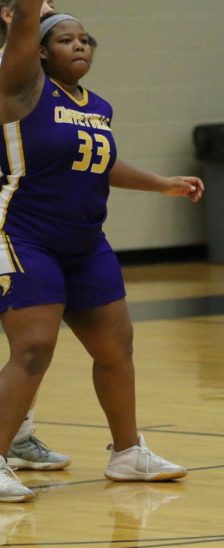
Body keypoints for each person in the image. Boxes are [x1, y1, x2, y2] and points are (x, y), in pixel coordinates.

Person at [0, 6, 201, 502]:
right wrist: (29, 11)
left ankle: (128, 453)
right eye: (66, 39)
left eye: (86, 39)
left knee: (116, 349)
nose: (80, 45)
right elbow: (25, 21)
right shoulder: (20, 90)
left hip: (85, 242)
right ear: (40, 51)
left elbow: (100, 163)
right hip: (24, 236)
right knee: (34, 349)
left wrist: (161, 184)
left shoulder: (99, 106)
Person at [0, 0, 71, 473]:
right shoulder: (14, 64)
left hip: (33, 223)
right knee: (30, 341)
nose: (51, 7)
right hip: (11, 222)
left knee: (32, 339)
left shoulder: (50, 78)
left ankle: (19, 433)